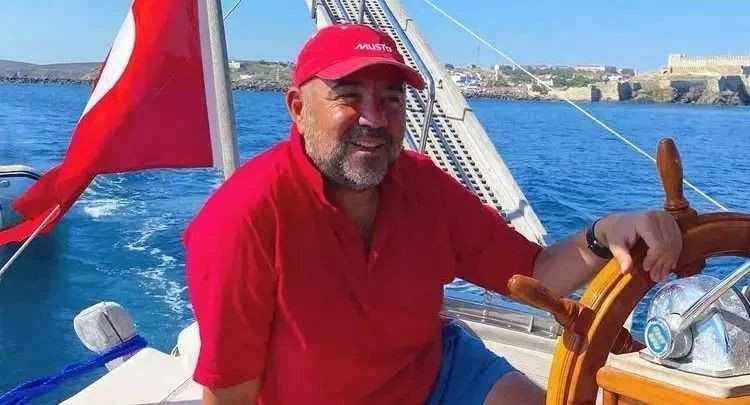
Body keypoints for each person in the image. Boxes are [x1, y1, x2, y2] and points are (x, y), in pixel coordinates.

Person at [184, 23, 682, 405]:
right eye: (349, 96)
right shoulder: (240, 221)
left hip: (436, 374)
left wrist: (606, 232)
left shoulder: (422, 184)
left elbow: (537, 272)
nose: (374, 119)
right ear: (297, 107)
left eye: (391, 99)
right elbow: (230, 394)